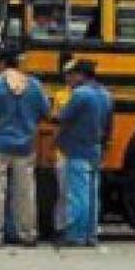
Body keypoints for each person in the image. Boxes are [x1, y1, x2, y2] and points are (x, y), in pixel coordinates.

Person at [0, 48, 49, 248]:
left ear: (1, 64)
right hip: (25, 146)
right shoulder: (34, 85)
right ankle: (28, 233)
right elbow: (45, 112)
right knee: (25, 192)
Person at [56, 58, 112, 247]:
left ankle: (76, 236)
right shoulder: (105, 95)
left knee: (77, 195)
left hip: (78, 149)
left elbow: (63, 117)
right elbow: (109, 126)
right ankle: (91, 234)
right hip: (96, 149)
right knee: (93, 196)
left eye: (72, 75)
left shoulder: (80, 94)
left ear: (81, 75)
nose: (69, 79)